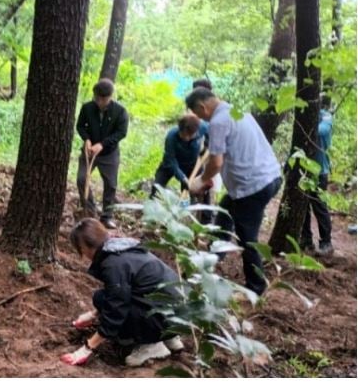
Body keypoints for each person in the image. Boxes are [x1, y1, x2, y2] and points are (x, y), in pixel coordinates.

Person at [186, 87, 281, 296]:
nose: (201, 119)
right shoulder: (238, 111)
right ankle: (214, 255)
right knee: (225, 210)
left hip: (252, 187)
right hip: (270, 176)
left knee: (247, 237)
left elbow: (216, 162)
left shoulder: (218, 122)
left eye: (199, 114)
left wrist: (201, 181)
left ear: (202, 106)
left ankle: (256, 287)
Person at [60, 218, 184, 367]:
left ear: (84, 246)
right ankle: (169, 337)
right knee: (101, 298)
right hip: (178, 313)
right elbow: (121, 294)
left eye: (80, 248)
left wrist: (87, 349)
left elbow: (115, 311)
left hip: (162, 316)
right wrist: (93, 315)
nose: (82, 253)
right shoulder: (122, 248)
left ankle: (151, 346)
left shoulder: (113, 264)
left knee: (104, 302)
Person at [76, 78, 129, 229]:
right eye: (96, 98)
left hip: (109, 154)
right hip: (89, 152)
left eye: (102, 99)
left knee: (111, 185)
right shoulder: (87, 108)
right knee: (81, 179)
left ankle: (107, 216)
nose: (99, 102)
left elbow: (121, 133)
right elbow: (80, 126)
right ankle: (89, 211)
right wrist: (86, 139)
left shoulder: (120, 112)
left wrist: (103, 144)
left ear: (110, 97)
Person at [301, 104, 334, 256]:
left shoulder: (326, 117)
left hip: (320, 171)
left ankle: (326, 242)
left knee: (319, 206)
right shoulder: (304, 116)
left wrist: (307, 125)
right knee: (302, 206)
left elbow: (322, 131)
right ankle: (306, 240)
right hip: (303, 168)